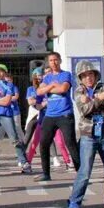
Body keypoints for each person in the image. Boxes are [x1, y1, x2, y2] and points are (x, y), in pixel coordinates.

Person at [67, 60, 104, 208]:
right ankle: (74, 201)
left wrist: (93, 101)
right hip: (87, 136)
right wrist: (98, 99)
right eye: (84, 76)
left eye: (90, 74)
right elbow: (84, 110)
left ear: (95, 75)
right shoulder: (79, 91)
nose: (88, 78)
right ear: (80, 78)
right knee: (85, 171)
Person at [34, 52, 79, 181]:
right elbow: (39, 91)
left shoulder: (66, 74)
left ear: (59, 61)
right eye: (51, 60)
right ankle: (46, 173)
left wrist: (49, 88)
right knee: (44, 143)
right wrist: (52, 85)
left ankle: (80, 171)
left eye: (55, 60)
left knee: (70, 143)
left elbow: (63, 89)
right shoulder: (47, 78)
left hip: (65, 114)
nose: (53, 62)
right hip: (50, 115)